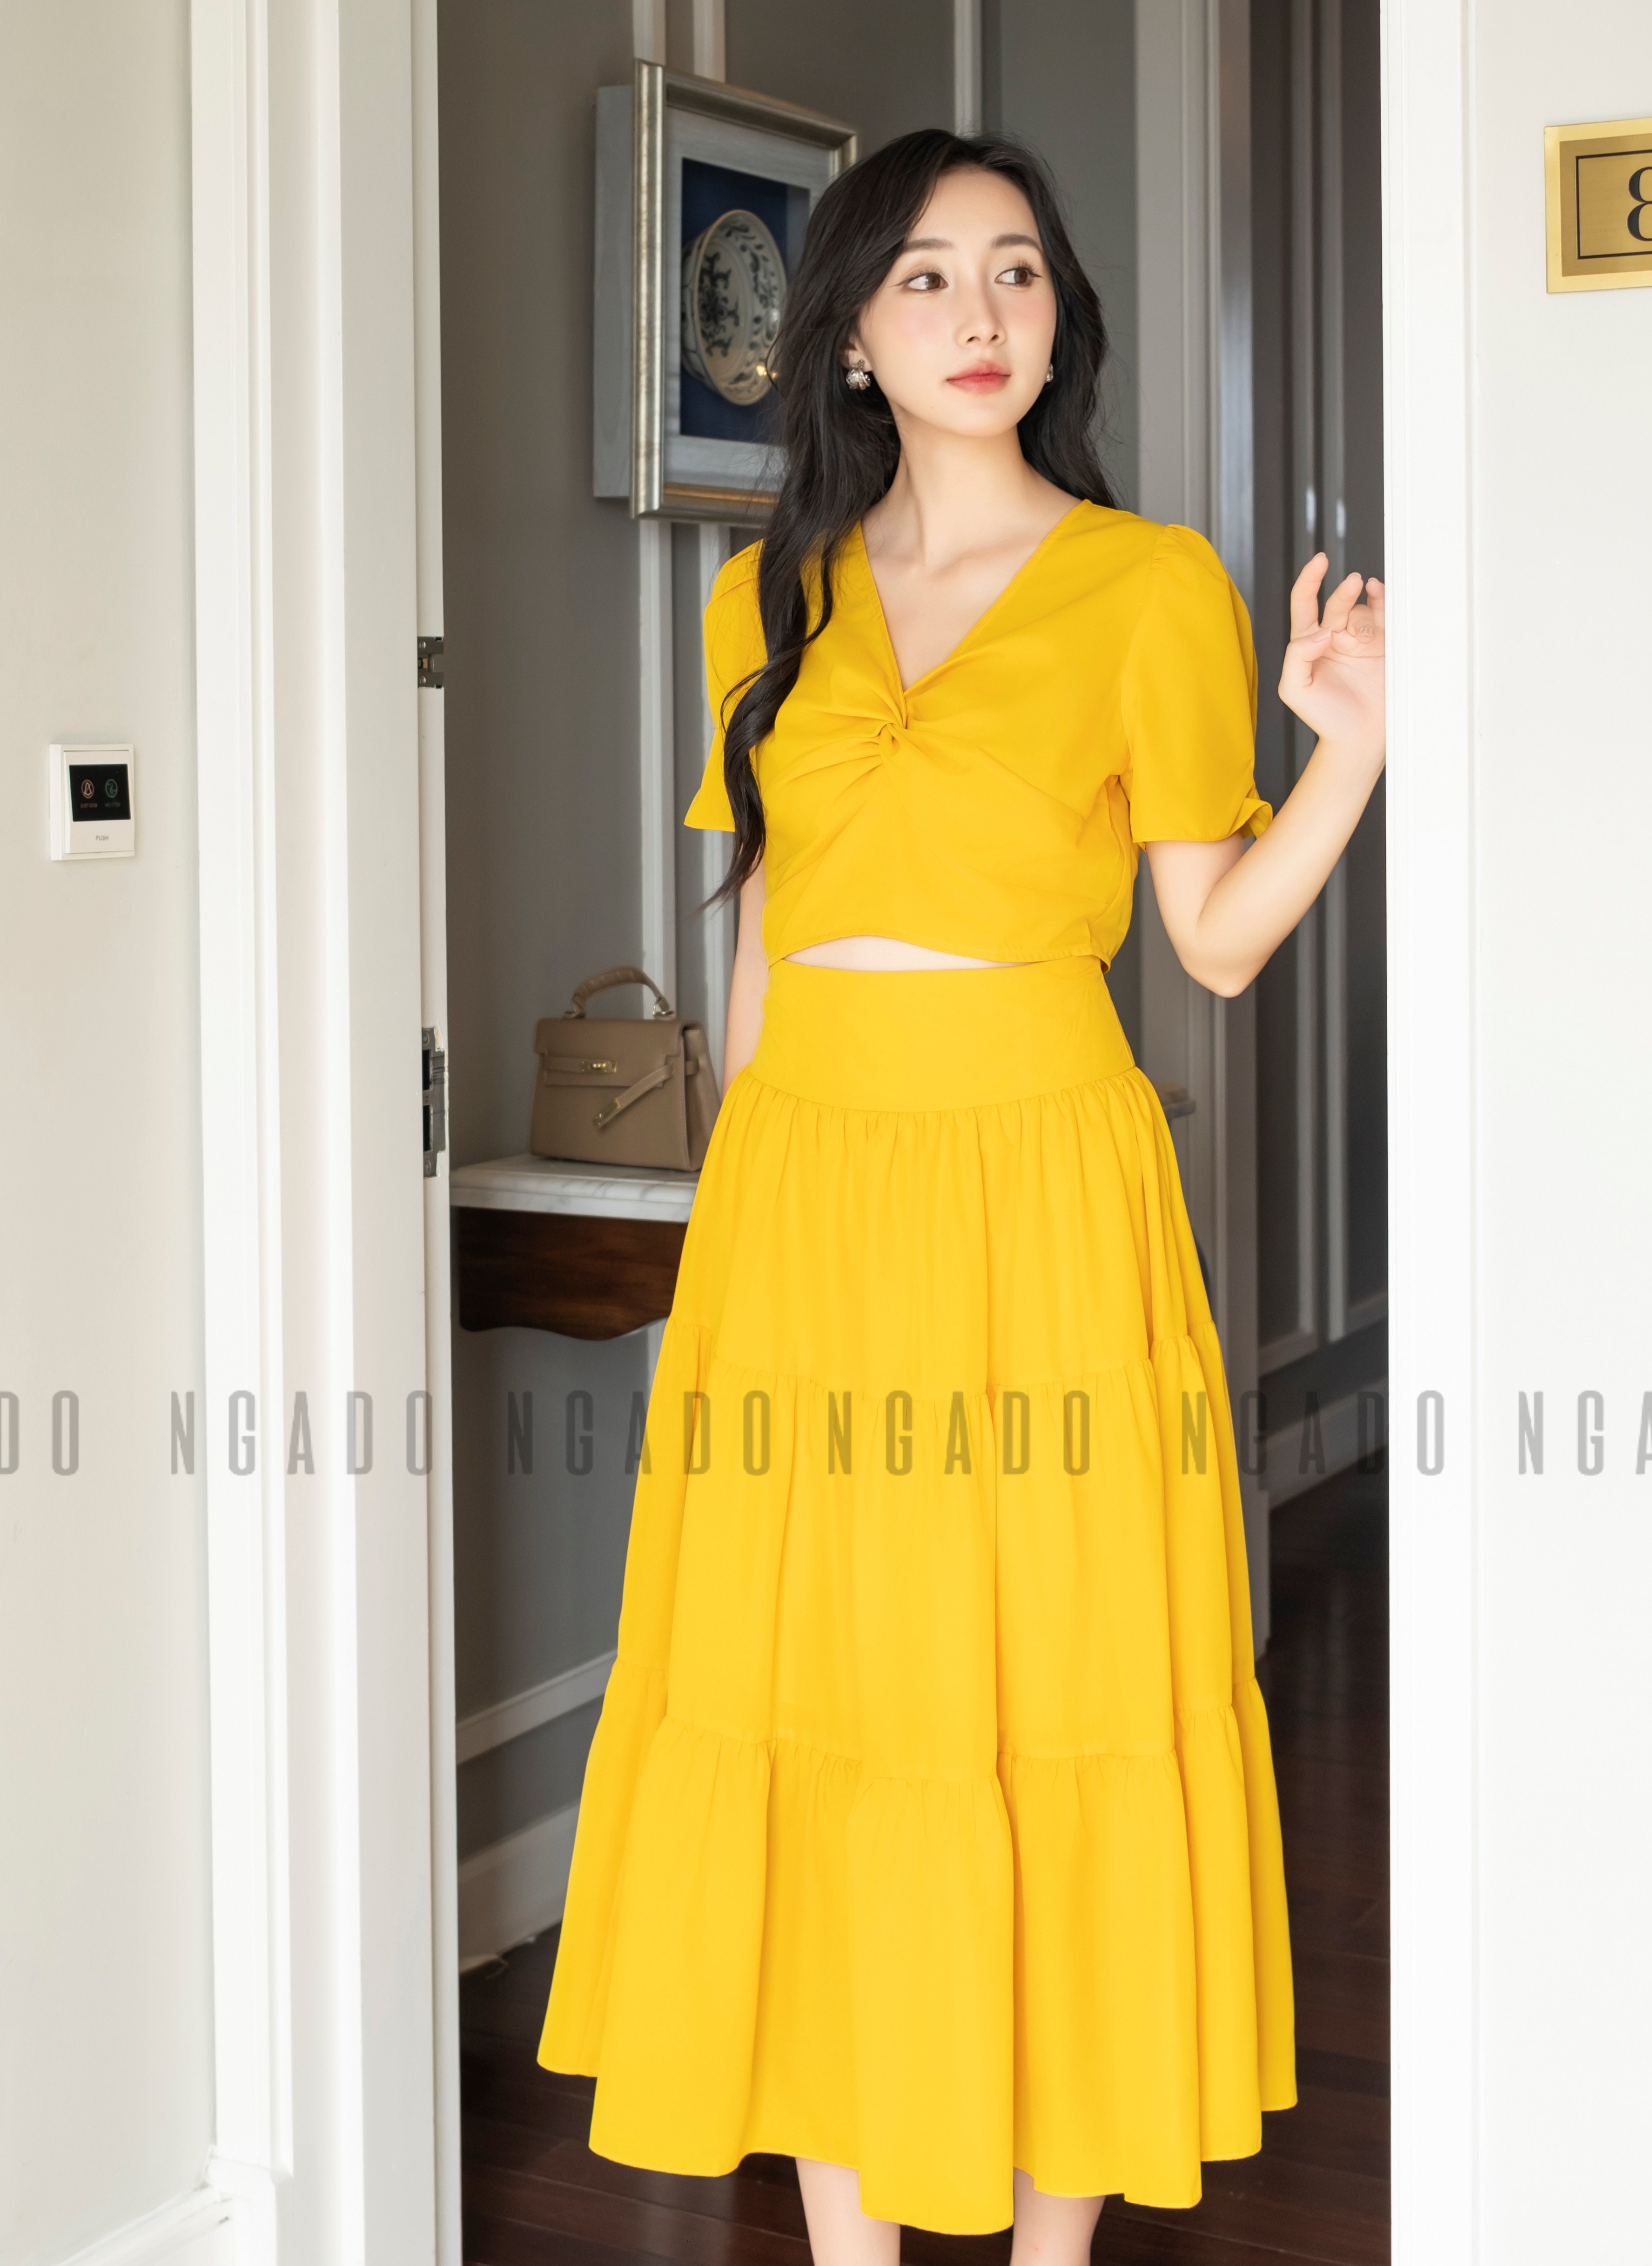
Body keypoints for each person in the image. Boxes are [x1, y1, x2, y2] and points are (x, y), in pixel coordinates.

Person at [538, 128, 1386, 2266]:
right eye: (925, 275)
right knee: (826, 1706)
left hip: (1040, 1199)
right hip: (806, 1207)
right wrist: (735, 1219)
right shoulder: (768, 597)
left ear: (1057, 318)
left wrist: (1348, 756)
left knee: (1057, 1697)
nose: (980, 311)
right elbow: (763, 933)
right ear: (846, 334)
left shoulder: (1148, 583)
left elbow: (1209, 944)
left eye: (1014, 270)